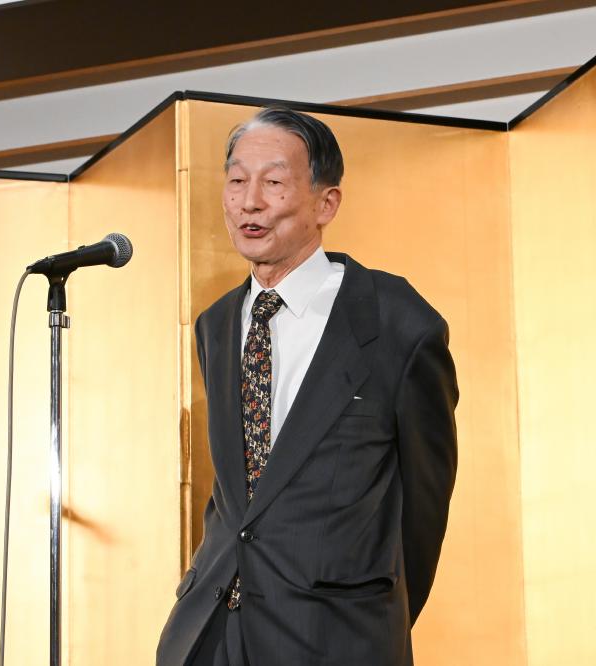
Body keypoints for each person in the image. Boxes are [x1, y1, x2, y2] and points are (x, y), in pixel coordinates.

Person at [156, 107, 458, 666]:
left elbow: (424, 508)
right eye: (236, 181)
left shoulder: (396, 322)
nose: (249, 202)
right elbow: (237, 492)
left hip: (332, 637)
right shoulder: (216, 325)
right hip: (212, 634)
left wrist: (371, 615)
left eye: (273, 183)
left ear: (326, 204)